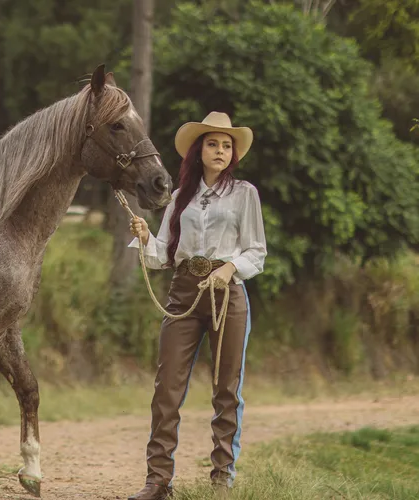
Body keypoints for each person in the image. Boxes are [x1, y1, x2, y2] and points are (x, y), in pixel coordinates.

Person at [125, 112, 268, 500]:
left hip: (227, 295)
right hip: (184, 293)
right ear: (198, 151)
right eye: (213, 144)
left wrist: (230, 268)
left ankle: (222, 477)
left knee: (226, 389)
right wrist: (146, 236)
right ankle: (158, 480)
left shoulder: (244, 194)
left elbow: (256, 251)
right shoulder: (179, 198)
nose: (220, 151)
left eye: (226, 146)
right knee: (167, 388)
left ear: (233, 153)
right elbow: (164, 255)